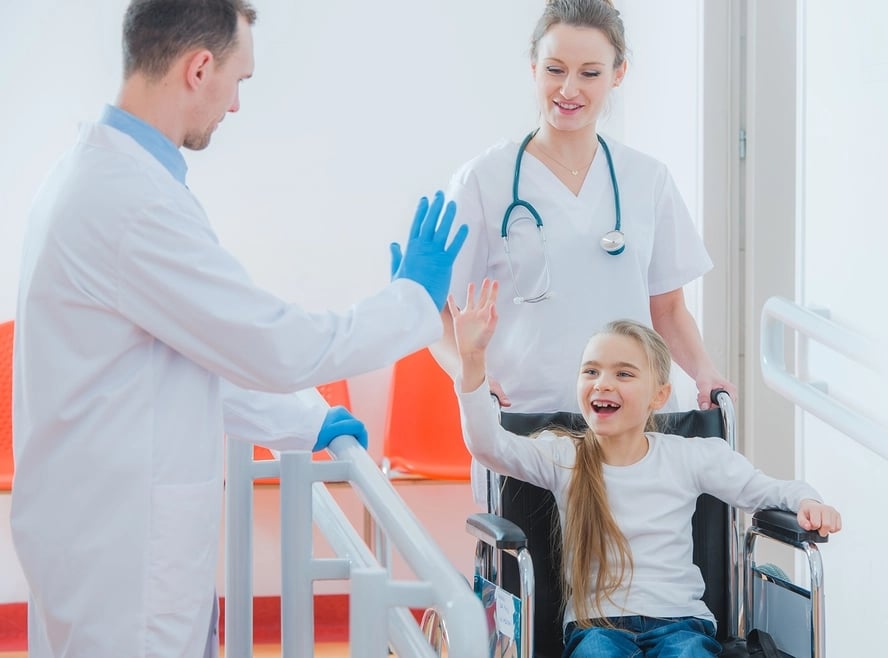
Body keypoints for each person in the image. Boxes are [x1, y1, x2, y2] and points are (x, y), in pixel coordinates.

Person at [10, 2, 467, 657]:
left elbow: (186, 357)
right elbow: (274, 346)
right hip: (121, 573)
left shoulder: (96, 177)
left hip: (104, 545)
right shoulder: (129, 202)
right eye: (239, 80)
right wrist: (412, 300)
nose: (235, 105)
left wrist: (301, 422)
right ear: (199, 69)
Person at [449, 279, 842, 658]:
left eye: (623, 373)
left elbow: (763, 489)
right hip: (597, 625)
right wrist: (471, 360)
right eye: (591, 371)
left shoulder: (690, 455)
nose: (603, 383)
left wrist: (807, 500)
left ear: (659, 395)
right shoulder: (564, 456)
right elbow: (489, 446)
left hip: (681, 622)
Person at [431, 0, 733, 420]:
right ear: (533, 68)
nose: (569, 89)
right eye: (555, 69)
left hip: (633, 425)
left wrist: (704, 372)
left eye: (590, 73)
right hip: (526, 420)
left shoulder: (647, 179)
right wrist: (469, 375)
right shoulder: (482, 181)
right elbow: (437, 310)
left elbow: (667, 308)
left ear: (618, 74)